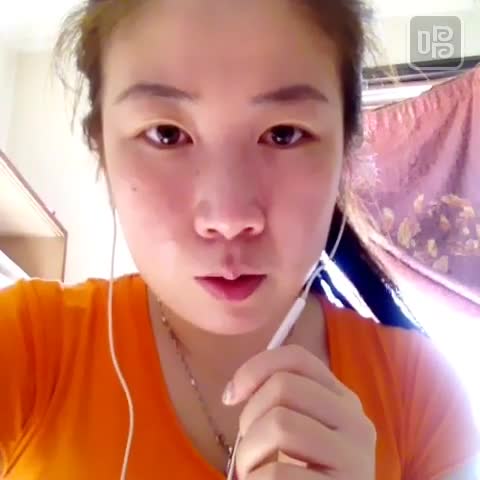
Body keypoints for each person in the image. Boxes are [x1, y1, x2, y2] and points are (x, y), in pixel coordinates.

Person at [0, 0, 479, 479]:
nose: (228, 218)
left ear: (345, 151)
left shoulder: (422, 393)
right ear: (103, 150)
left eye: (284, 134)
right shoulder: (26, 344)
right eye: (166, 134)